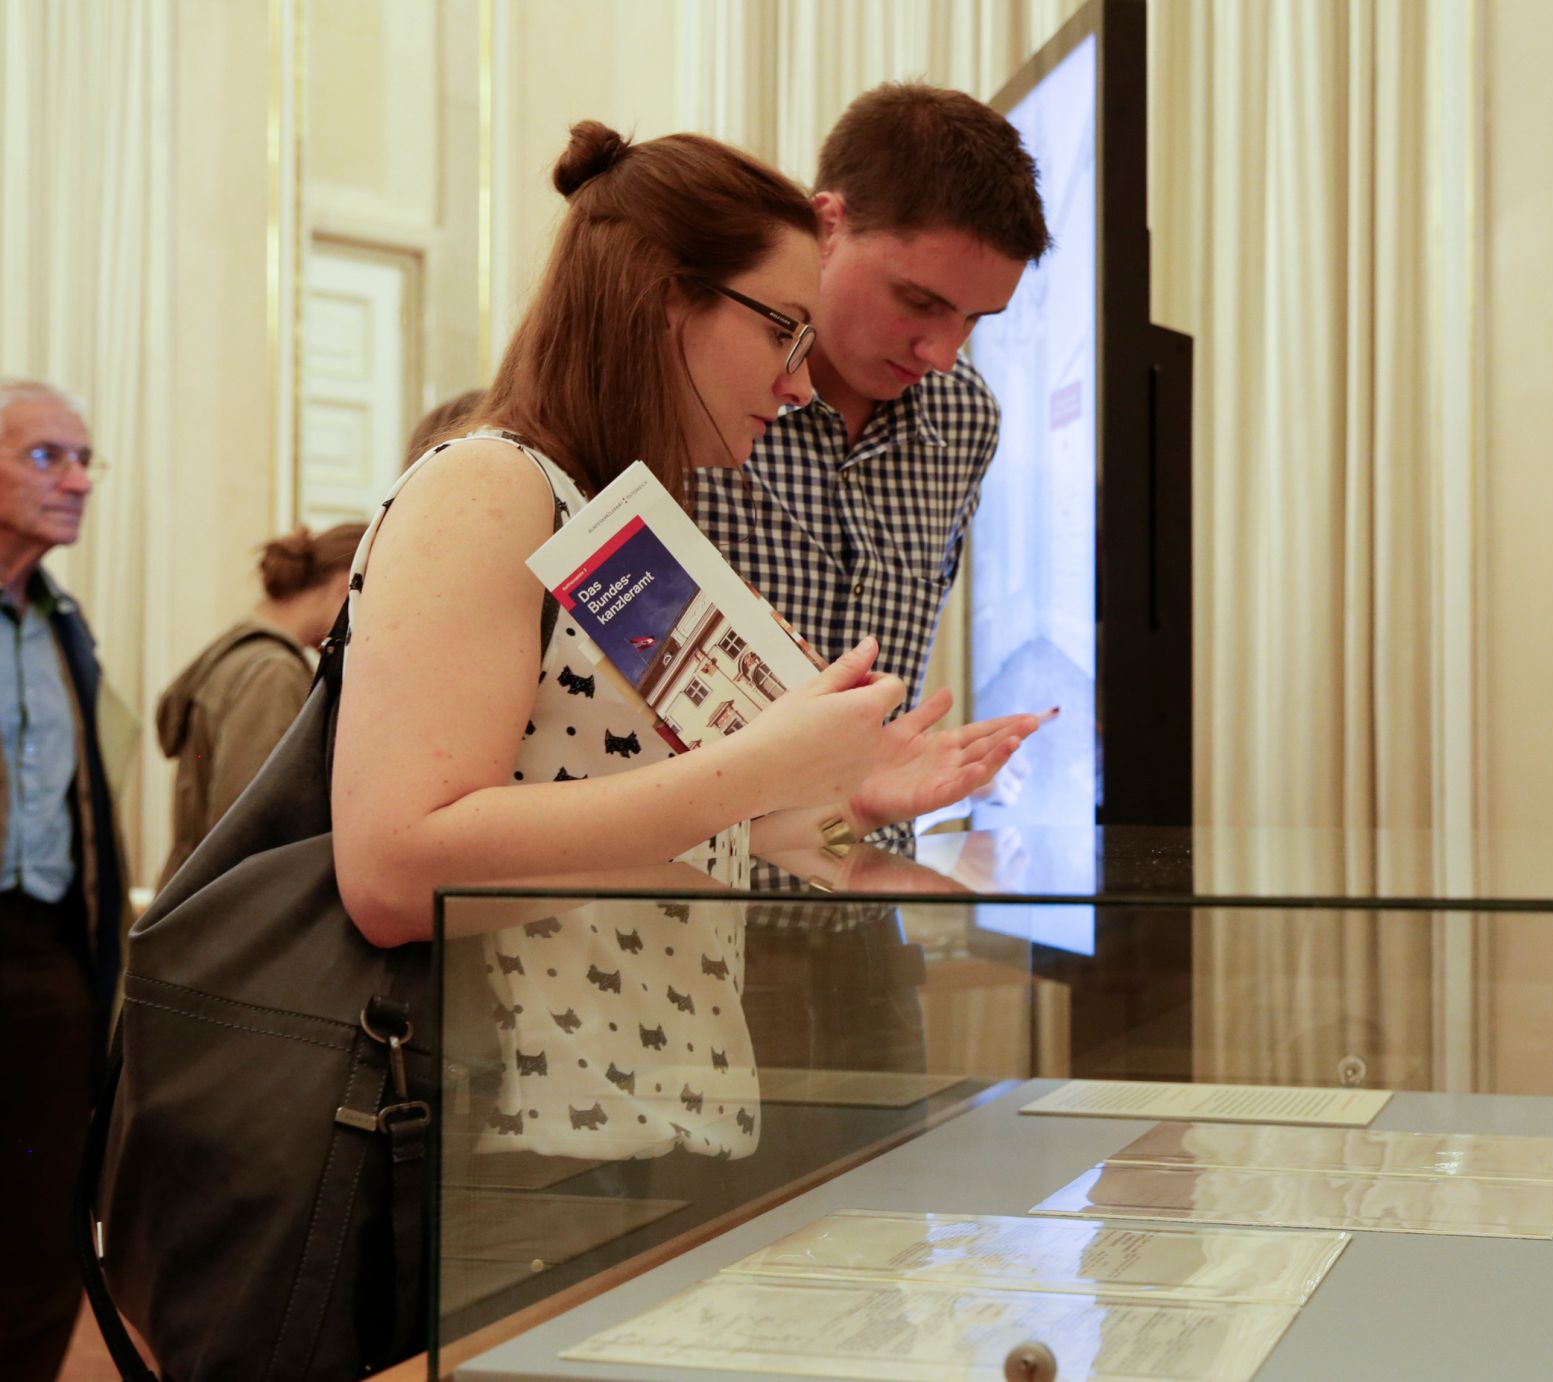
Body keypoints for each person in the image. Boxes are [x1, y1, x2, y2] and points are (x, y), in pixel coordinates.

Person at [332, 122, 1041, 1100]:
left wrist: (852, 807)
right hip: (532, 1117)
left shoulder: (621, 524)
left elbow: (723, 829)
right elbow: (394, 871)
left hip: (658, 1101)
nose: (796, 381)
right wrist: (765, 766)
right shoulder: (491, 483)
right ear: (667, 298)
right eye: (778, 331)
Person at [694, 82, 1052, 849]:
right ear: (828, 225)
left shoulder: (965, 417)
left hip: (863, 895)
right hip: (686, 912)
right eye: (919, 302)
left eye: (974, 320)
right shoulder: (701, 380)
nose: (943, 353)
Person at [0, 378, 127, 1381]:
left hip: (46, 954)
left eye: (86, 460)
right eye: (48, 456)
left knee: (43, 1225)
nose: (78, 480)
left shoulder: (61, 622)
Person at [154, 520, 366, 888]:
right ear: (345, 586)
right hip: (225, 920)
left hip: (199, 909)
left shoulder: (241, 656)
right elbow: (255, 831)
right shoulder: (273, 673)